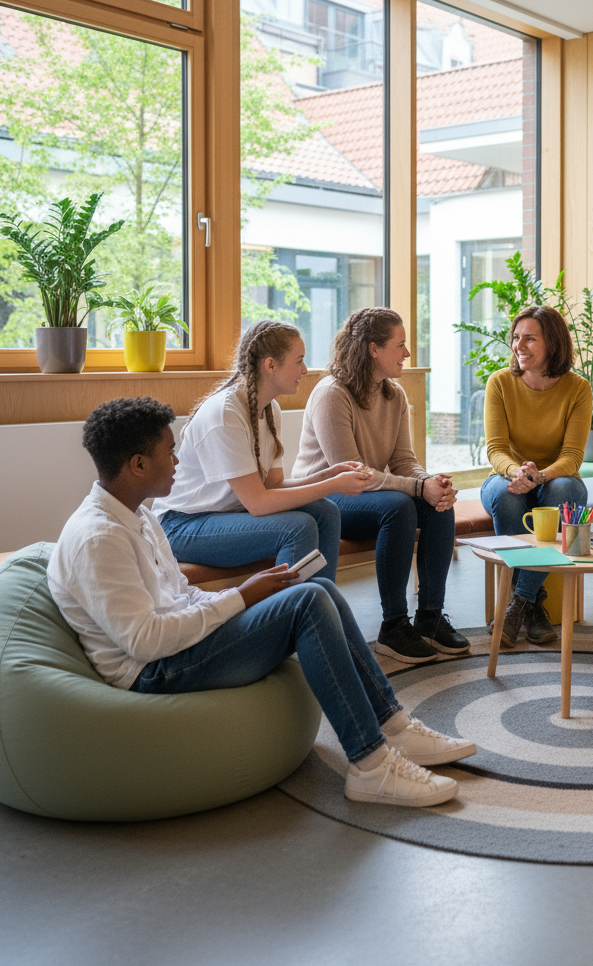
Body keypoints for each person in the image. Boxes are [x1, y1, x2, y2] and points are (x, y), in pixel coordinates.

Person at [48, 398, 477, 807]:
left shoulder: (140, 515)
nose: (177, 461)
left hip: (179, 644)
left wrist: (248, 590)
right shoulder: (99, 537)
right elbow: (146, 642)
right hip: (156, 672)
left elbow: (179, 593)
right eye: (169, 452)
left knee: (315, 589)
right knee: (307, 600)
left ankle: (392, 726)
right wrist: (239, 598)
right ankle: (371, 765)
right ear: (138, 465)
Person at [292, 307, 466, 666]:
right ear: (374, 349)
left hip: (367, 494)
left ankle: (430, 617)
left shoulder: (395, 395)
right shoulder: (332, 394)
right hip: (326, 497)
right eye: (400, 345)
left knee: (438, 503)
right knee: (399, 506)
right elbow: (353, 474)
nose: (406, 354)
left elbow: (404, 461)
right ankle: (393, 625)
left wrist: (430, 483)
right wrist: (417, 489)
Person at [152, 320, 371, 583]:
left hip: (226, 515)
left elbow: (273, 485)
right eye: (299, 360)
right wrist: (333, 484)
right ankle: (293, 613)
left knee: (326, 511)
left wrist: (327, 476)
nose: (304, 369)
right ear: (270, 365)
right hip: (182, 526)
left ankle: (320, 602)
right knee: (298, 527)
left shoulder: (270, 409)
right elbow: (258, 503)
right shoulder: (225, 413)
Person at [481, 304, 592, 646]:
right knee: (506, 495)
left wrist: (540, 476)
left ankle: (520, 603)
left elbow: (572, 457)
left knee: (566, 490)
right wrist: (518, 472)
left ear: (553, 345)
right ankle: (533, 606)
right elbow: (496, 449)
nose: (519, 345)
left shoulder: (577, 388)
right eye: (516, 338)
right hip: (506, 477)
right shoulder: (500, 382)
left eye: (530, 338)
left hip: (554, 479)